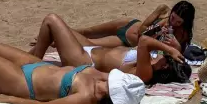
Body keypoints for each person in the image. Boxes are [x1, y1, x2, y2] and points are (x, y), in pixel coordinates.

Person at [0, 33, 146, 104]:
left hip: (23, 83)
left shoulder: (85, 98)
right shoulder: (102, 76)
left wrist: (11, 100)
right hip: (37, 66)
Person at [30, 14, 190, 85]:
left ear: (165, 66)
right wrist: (175, 48)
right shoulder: (154, 59)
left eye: (168, 59)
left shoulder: (145, 74)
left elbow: (144, 42)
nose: (166, 57)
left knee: (51, 20)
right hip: (91, 48)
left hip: (83, 60)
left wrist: (171, 51)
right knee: (57, 32)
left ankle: (31, 65)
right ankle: (28, 57)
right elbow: (148, 40)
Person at [72, 1, 196, 53]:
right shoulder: (163, 10)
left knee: (89, 43)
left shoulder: (182, 34)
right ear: (172, 11)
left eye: (178, 22)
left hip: (127, 42)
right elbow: (142, 29)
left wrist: (173, 44)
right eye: (172, 18)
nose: (174, 22)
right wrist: (157, 29)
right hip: (127, 24)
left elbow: (176, 53)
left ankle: (62, 39)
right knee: (87, 31)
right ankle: (62, 30)